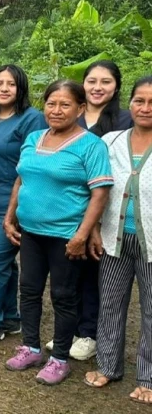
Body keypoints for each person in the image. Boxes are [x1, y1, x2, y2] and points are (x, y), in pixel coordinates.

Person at [3, 80, 112, 386]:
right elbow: (20, 180)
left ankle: (59, 358)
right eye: (51, 103)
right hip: (31, 232)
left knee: (64, 297)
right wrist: (9, 216)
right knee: (29, 290)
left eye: (65, 105)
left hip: (65, 234)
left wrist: (82, 234)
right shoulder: (34, 137)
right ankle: (31, 347)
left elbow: (100, 193)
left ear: (80, 108)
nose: (57, 110)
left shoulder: (91, 145)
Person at [84, 76, 152, 404]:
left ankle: (148, 376)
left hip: (150, 243)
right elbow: (96, 187)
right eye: (140, 101)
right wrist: (94, 228)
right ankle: (109, 365)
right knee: (110, 303)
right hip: (113, 238)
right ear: (130, 103)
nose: (146, 108)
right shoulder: (110, 141)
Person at [60, 60, 134, 360]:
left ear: (116, 86)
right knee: (69, 272)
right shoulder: (71, 113)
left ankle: (90, 333)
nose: (97, 87)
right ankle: (75, 328)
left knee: (94, 272)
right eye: (92, 81)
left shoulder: (125, 119)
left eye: (105, 82)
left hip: (106, 208)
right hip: (68, 206)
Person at [0, 65, 46, 346]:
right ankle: (10, 316)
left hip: (12, 207)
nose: (3, 88)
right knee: (3, 263)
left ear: (21, 88)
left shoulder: (32, 119)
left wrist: (13, 212)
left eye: (11, 84)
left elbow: (32, 167)